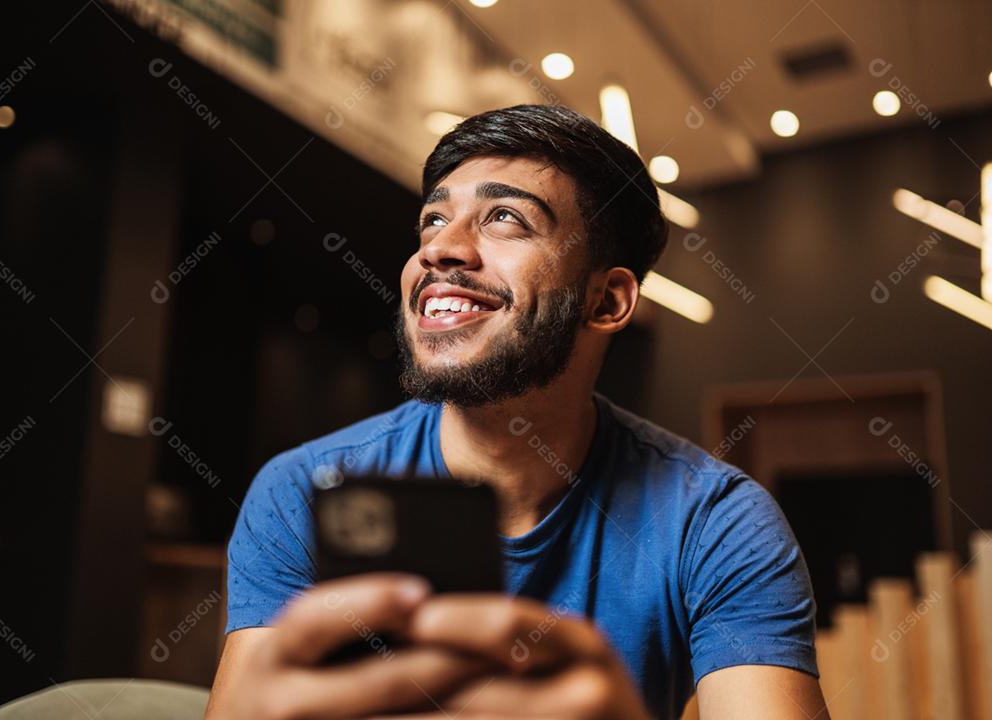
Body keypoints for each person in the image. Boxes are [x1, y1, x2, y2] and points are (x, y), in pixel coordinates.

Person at [205, 104, 828, 719]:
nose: (440, 250)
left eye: (504, 218)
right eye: (433, 220)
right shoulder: (301, 492)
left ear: (606, 300)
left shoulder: (716, 522)